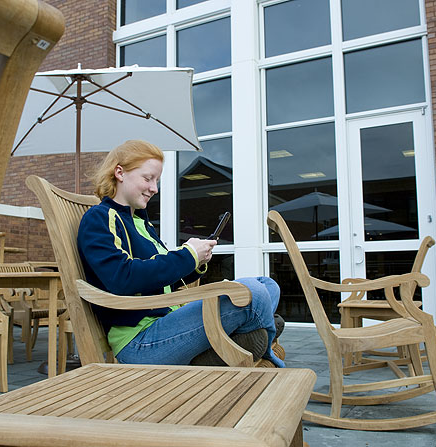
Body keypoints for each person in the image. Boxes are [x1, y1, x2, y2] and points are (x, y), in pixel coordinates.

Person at [77, 140, 284, 367]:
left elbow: (163, 285)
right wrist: (187, 255)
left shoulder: (143, 225)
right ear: (120, 173)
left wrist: (196, 262)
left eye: (156, 181)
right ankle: (260, 342)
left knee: (266, 284)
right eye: (148, 178)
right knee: (254, 293)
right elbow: (122, 278)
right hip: (141, 341)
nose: (154, 188)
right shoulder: (100, 217)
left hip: (169, 321)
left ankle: (246, 334)